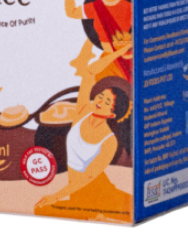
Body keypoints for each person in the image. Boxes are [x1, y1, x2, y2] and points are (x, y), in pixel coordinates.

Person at [35, 76, 132, 222]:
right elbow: (87, 77)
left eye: (106, 102)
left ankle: (99, 215)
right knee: (40, 209)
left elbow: (87, 177)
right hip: (77, 192)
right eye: (101, 96)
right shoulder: (82, 112)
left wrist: (55, 196)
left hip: (99, 192)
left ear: (111, 114)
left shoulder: (109, 141)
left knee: (132, 211)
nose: (99, 101)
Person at [57, 0, 133, 82]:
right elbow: (71, 12)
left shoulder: (129, 7)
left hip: (129, 58)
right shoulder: (95, 7)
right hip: (108, 60)